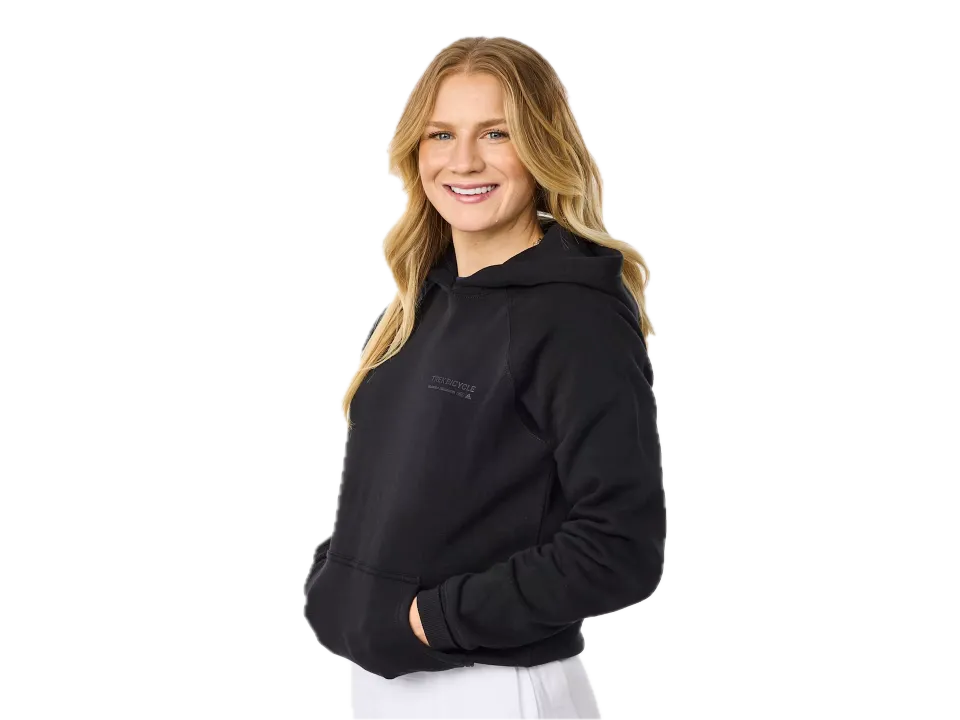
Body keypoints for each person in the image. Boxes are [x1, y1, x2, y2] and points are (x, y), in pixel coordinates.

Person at [302, 34, 665, 719]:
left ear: (542, 147)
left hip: (493, 689)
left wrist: (429, 619)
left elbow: (620, 548)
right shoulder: (415, 303)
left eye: (496, 133)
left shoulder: (575, 317)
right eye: (441, 134)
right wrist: (340, 582)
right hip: (381, 688)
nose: (463, 160)